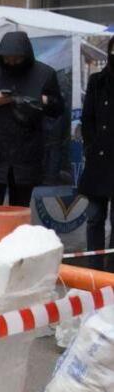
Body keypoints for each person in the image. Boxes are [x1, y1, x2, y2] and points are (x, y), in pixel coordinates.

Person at [0, 30, 63, 208]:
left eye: (16, 58)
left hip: (26, 154)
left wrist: (43, 100)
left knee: (19, 210)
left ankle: (18, 237)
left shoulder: (45, 74)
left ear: (26, 55)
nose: (11, 62)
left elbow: (58, 109)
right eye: (7, 58)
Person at [79, 36, 114, 258]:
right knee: (94, 218)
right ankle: (93, 268)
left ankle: (111, 273)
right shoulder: (97, 81)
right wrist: (91, 146)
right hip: (99, 160)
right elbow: (88, 118)